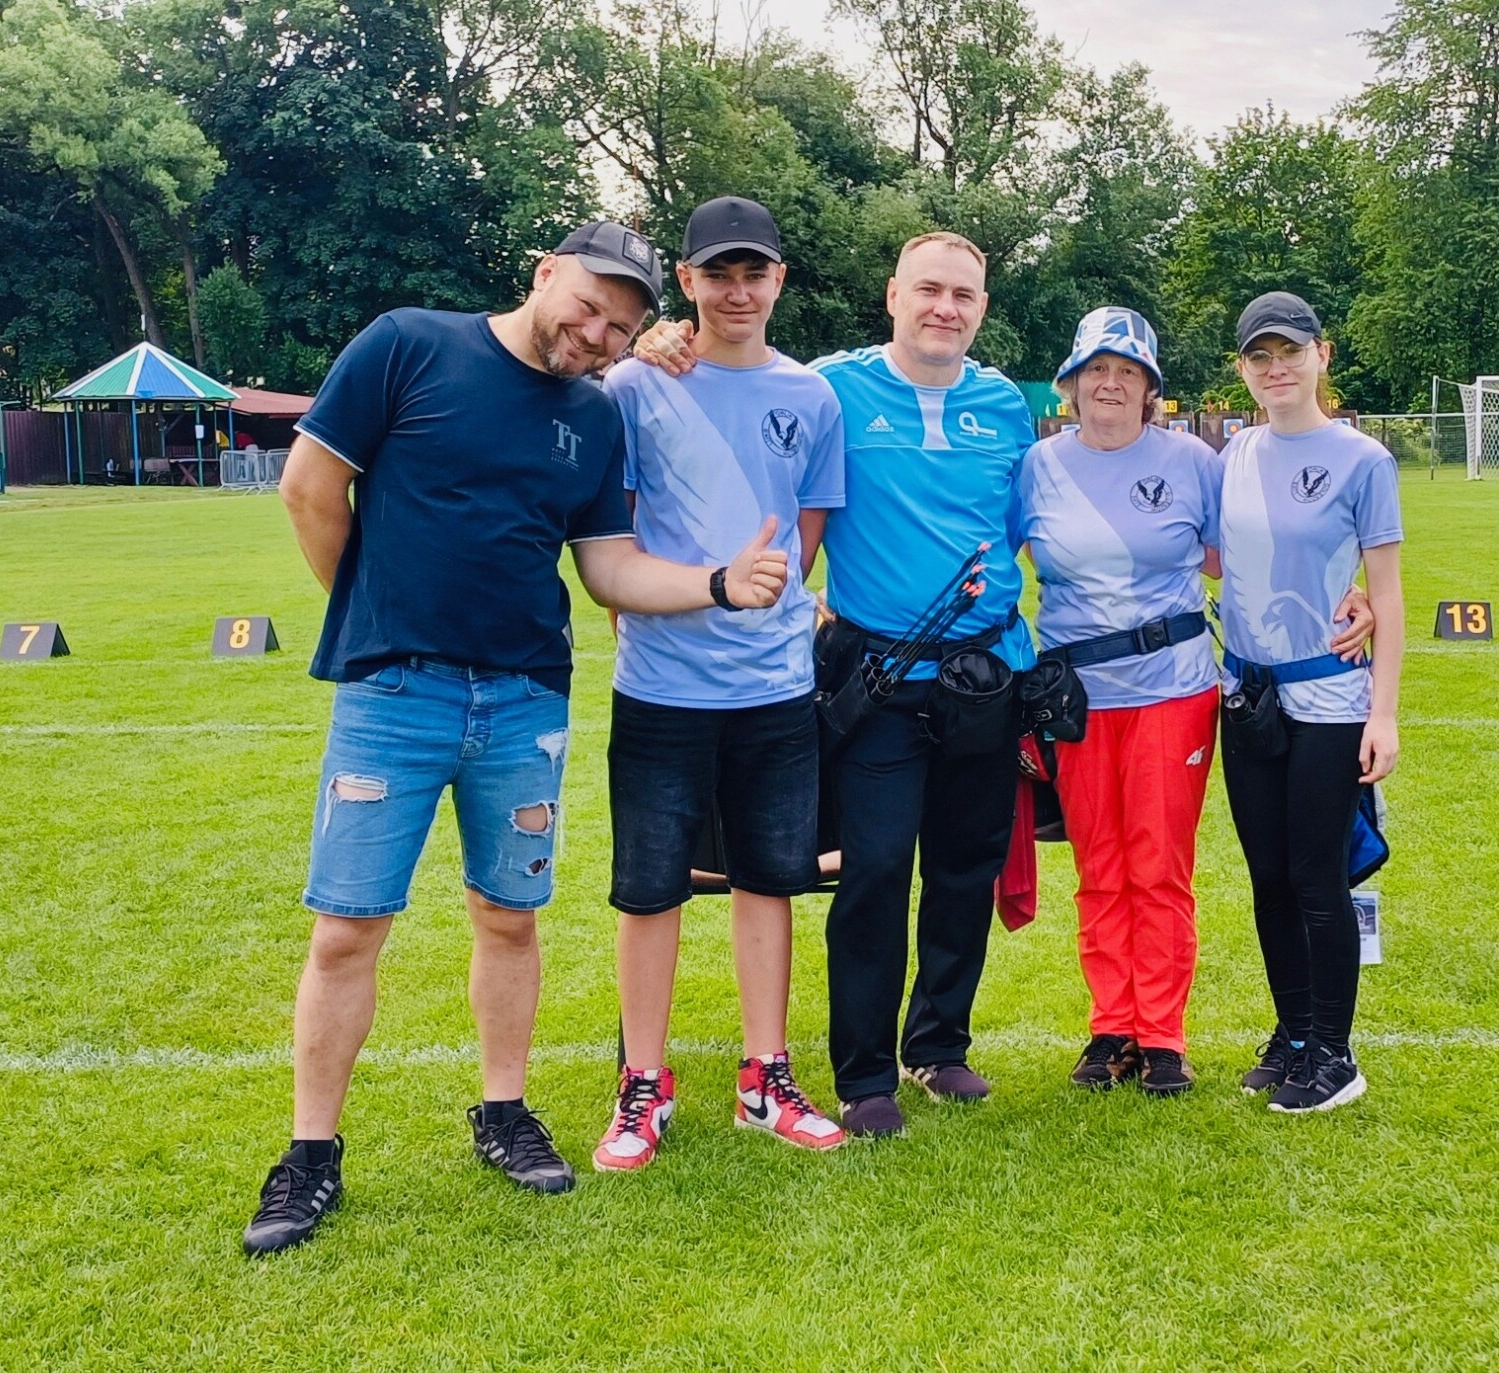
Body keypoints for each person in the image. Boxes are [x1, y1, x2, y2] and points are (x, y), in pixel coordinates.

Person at [243, 222, 790, 1257]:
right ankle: (310, 1151)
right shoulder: (409, 343)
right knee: (347, 928)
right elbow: (310, 489)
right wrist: (378, 619)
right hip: (392, 695)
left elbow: (610, 568)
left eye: (619, 328)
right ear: (545, 274)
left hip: (526, 698)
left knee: (509, 916)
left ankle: (504, 1110)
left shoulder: (594, 415)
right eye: (586, 306)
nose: (594, 333)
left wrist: (717, 584)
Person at [632, 231, 1036, 1137]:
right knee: (877, 868)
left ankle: (940, 1046)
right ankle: (864, 1073)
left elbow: (1017, 526)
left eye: (964, 295)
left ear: (982, 306)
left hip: (984, 675)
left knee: (966, 866)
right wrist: (663, 339)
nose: (946, 308)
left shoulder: (1005, 403)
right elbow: (737, 368)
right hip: (877, 674)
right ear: (892, 293)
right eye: (929, 289)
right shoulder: (831, 386)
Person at [1019, 307, 1372, 1096]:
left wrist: (1354, 594)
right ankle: (1112, 1024)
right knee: (1100, 867)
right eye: (1096, 370)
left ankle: (1162, 1035)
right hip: (1075, 697)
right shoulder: (1036, 465)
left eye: (1129, 372)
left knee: (1159, 863)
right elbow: (992, 564)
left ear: (1151, 388)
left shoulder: (1194, 461)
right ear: (1071, 383)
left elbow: (1247, 554)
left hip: (1174, 689)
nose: (1110, 384)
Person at [593, 197, 847, 1171]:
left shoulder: (811, 397)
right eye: (717, 273)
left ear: (779, 281)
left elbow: (805, 533)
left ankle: (764, 1077)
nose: (737, 291)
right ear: (688, 280)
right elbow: (609, 535)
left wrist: (767, 620)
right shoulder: (633, 384)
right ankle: (642, 1085)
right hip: (659, 689)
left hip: (774, 689)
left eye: (755, 273)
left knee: (767, 881)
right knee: (649, 890)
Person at [1215, 291, 1404, 1114]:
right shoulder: (1233, 452)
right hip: (1246, 695)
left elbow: (1388, 595)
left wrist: (1385, 711)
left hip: (1329, 699)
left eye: (1289, 351)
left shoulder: (1364, 459)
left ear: (1322, 355)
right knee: (1267, 879)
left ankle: (1335, 1051)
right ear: (1243, 370)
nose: (1275, 367)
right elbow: (1222, 562)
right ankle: (1293, 1032)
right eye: (1260, 356)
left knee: (1316, 877)